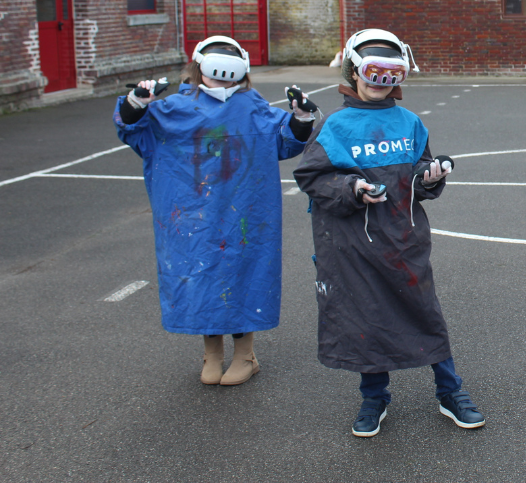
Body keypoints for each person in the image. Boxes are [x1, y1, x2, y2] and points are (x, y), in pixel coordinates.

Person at [294, 28, 485, 438]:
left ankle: (450, 391)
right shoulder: (336, 127)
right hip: (354, 248)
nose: (380, 83)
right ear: (353, 72)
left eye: (389, 74)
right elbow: (312, 178)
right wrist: (352, 189)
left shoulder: (410, 123)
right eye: (371, 72)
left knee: (425, 313)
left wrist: (429, 177)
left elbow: (418, 176)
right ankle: (374, 397)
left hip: (402, 241)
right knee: (368, 319)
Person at [113, 35, 316, 385]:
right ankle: (212, 354)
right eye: (214, 71)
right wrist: (136, 101)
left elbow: (285, 140)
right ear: (198, 68)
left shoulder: (253, 107)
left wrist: (301, 117)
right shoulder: (173, 109)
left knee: (244, 276)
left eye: (229, 73)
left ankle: (245, 355)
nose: (221, 79)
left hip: (244, 215)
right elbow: (133, 129)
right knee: (201, 277)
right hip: (193, 216)